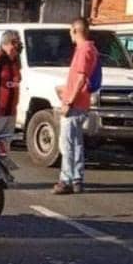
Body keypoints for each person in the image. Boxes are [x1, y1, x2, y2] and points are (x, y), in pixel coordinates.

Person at [53, 17, 98, 195]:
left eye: (70, 31)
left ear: (75, 30)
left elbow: (80, 78)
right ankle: (77, 178)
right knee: (77, 143)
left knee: (67, 144)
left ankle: (66, 180)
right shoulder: (90, 49)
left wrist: (68, 101)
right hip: (82, 103)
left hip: (75, 104)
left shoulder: (84, 49)